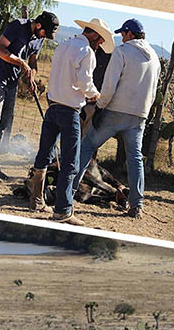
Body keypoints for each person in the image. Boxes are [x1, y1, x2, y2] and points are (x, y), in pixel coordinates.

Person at [28, 18, 114, 225]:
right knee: (70, 162)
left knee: (44, 155)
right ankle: (63, 211)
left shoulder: (64, 45)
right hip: (70, 111)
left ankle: (37, 199)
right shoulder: (87, 52)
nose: (99, 45)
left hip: (53, 107)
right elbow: (84, 82)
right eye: (100, 40)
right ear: (95, 34)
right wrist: (96, 96)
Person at [72, 19, 160, 219]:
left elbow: (110, 85)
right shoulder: (154, 56)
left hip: (116, 111)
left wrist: (101, 107)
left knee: (87, 146)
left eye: (123, 34)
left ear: (129, 34)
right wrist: (144, 113)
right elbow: (154, 91)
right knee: (135, 158)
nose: (121, 37)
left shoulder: (122, 51)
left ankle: (69, 189)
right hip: (139, 115)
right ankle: (137, 204)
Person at [0, 11, 59, 182]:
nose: (45, 36)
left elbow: (33, 61)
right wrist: (21, 63)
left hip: (12, 84)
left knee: (2, 125)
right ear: (38, 25)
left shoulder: (40, 38)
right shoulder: (17, 26)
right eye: (45, 32)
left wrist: (31, 76)